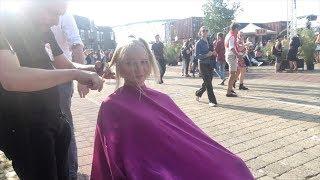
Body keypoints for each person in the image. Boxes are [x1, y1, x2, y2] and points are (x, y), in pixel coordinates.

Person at [90, 37, 254, 180]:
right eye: (130, 63)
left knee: (234, 167)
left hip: (172, 162)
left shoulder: (162, 98)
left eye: (144, 62)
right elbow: (109, 157)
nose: (139, 69)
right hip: (146, 170)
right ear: (118, 66)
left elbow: (191, 137)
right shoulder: (111, 106)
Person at [0, 1, 105, 179]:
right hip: (24, 128)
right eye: (52, 13)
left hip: (54, 120)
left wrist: (91, 69)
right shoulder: (5, 21)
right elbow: (11, 77)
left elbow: (63, 64)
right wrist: (74, 74)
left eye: (60, 15)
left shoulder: (44, 30)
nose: (56, 21)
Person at [51, 8, 87, 179]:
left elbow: (76, 44)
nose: (52, 19)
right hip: (36, 75)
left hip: (61, 75)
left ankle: (70, 173)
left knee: (64, 124)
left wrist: (81, 78)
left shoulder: (63, 13)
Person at [195, 26, 218, 107]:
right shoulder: (198, 43)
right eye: (203, 31)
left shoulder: (209, 41)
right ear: (200, 32)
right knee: (208, 83)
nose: (205, 32)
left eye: (206, 30)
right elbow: (197, 56)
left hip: (210, 63)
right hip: (202, 64)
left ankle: (198, 93)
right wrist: (206, 55)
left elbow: (212, 51)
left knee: (207, 82)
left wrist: (214, 52)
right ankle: (212, 101)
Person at [225, 23, 241, 97]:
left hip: (229, 55)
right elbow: (232, 48)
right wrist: (238, 55)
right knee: (232, 74)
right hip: (231, 56)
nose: (238, 30)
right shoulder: (232, 36)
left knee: (233, 73)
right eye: (238, 29)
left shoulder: (228, 35)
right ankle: (229, 92)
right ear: (235, 29)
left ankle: (230, 88)